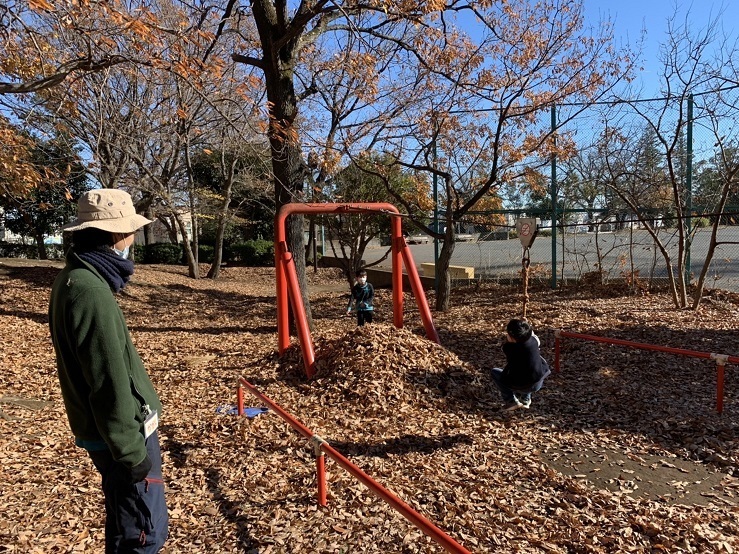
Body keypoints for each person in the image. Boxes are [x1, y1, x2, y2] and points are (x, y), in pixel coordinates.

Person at [48, 188, 168, 553]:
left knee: (123, 523)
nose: (132, 238)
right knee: (144, 533)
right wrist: (132, 453)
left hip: (113, 432)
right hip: (122, 437)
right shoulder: (89, 291)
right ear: (116, 235)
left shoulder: (78, 278)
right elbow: (108, 381)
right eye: (130, 230)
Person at [490, 318, 551, 411]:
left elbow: (506, 346)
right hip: (538, 381)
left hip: (522, 385)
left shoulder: (508, 349)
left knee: (495, 372)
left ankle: (511, 401)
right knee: (529, 367)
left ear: (512, 338)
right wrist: (525, 325)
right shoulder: (534, 341)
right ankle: (526, 400)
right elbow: (531, 335)